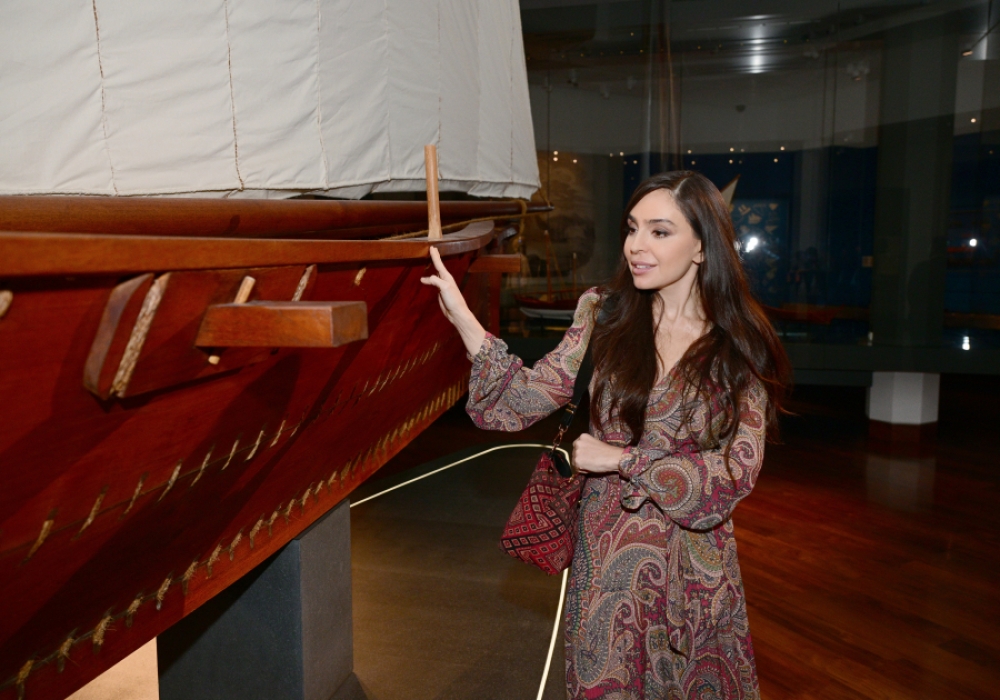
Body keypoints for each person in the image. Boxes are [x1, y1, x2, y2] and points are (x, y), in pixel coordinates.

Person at [420, 171, 791, 699]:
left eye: (659, 232)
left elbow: (733, 475)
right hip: (606, 568)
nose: (636, 246)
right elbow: (524, 398)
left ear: (702, 246)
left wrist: (622, 460)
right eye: (632, 228)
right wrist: (465, 320)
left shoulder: (739, 344)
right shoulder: (604, 312)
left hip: (696, 577)